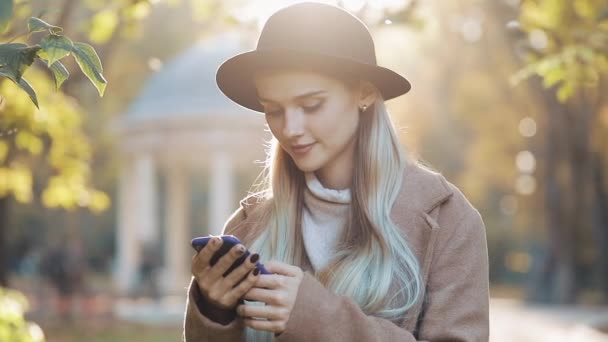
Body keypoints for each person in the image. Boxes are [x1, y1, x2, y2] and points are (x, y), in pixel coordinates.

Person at [183, 2, 489, 341]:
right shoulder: (249, 226)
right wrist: (214, 311)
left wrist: (317, 317)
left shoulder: (447, 221)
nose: (290, 128)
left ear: (365, 93)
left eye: (311, 105)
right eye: (274, 110)